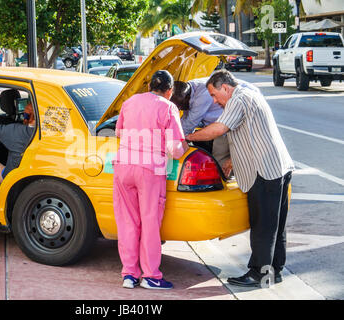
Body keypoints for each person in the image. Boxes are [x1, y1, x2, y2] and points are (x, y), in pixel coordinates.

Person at [187, 70, 295, 287]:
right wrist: (232, 162)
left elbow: (219, 129)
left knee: (263, 225)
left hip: (264, 171)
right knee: (275, 225)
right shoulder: (249, 94)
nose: (215, 102)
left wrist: (187, 136)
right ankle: (274, 271)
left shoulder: (238, 98)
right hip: (278, 167)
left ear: (225, 88)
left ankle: (258, 275)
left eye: (215, 95)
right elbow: (251, 135)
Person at [113, 70, 189, 290]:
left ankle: (129, 275)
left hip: (124, 165)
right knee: (150, 222)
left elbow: (119, 132)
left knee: (127, 222)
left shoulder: (129, 102)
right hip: (150, 170)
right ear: (170, 91)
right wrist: (185, 145)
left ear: (148, 88)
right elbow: (175, 149)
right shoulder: (168, 107)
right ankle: (151, 276)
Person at [170, 78, 260, 171]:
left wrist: (174, 140)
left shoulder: (203, 95)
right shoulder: (189, 89)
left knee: (220, 161)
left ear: (187, 97)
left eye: (180, 106)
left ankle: (228, 182)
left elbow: (189, 124)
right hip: (225, 122)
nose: (180, 109)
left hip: (231, 125)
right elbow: (185, 120)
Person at [0, 102, 35, 204]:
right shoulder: (47, 133)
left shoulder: (17, 131)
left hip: (13, 179)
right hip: (32, 177)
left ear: (26, 115)